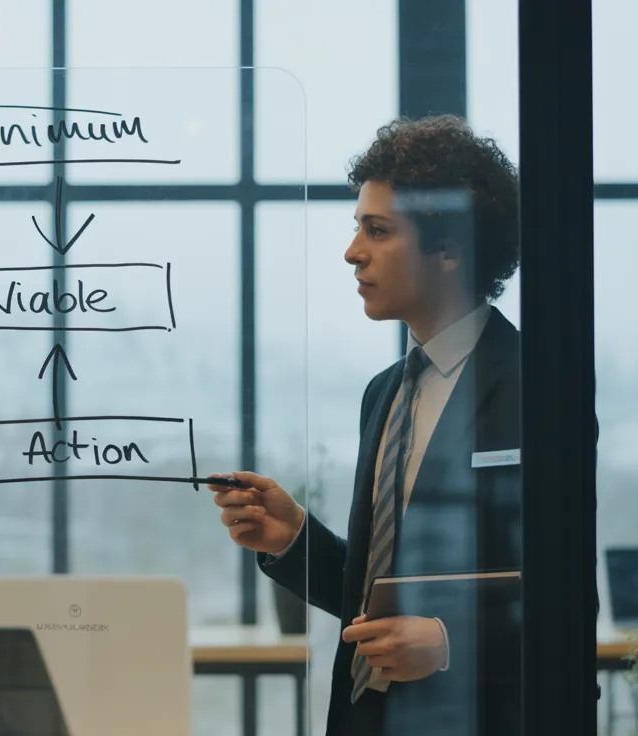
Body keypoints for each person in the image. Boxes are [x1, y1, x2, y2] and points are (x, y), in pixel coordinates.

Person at [211, 115, 531, 735]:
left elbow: (567, 598)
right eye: (358, 228)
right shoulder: (384, 394)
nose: (353, 251)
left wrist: (449, 640)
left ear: (450, 249)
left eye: (377, 231)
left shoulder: (539, 389)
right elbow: (376, 602)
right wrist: (293, 538)